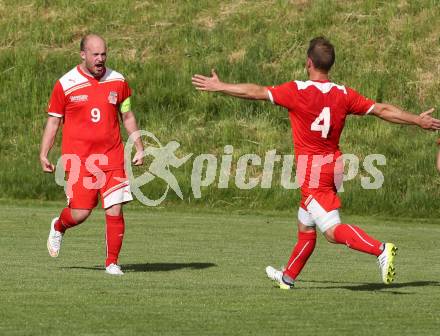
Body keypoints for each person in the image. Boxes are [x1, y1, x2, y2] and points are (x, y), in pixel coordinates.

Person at [192, 37, 440, 289]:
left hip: (313, 172)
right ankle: (287, 277)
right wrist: (416, 120)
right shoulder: (344, 94)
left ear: (308, 62)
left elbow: (255, 92)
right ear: (329, 65)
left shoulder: (297, 91)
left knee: (332, 231)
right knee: (305, 223)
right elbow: (382, 110)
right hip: (333, 166)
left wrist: (220, 86)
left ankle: (380, 249)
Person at [40, 34, 144, 276]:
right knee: (80, 213)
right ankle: (58, 225)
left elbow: (127, 115)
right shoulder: (65, 84)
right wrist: (44, 153)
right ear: (83, 55)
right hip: (80, 161)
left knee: (115, 208)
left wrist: (139, 145)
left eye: (104, 54)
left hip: (112, 156)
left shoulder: (118, 81)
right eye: (95, 54)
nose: (100, 59)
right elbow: (54, 122)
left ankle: (112, 262)